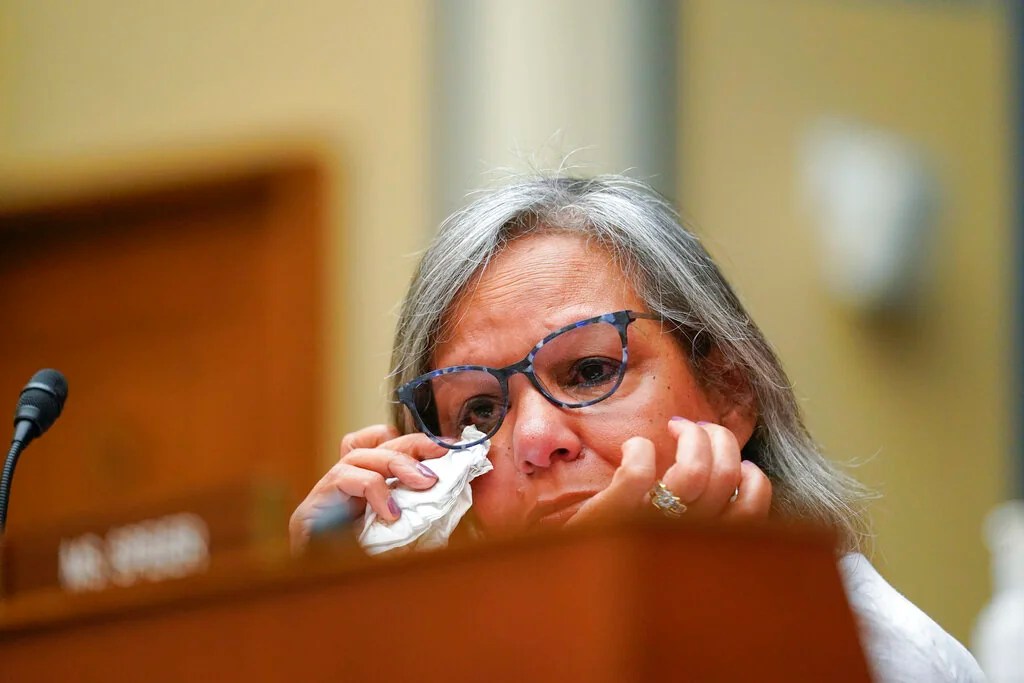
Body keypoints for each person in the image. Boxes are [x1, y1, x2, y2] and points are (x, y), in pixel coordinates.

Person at [290, 174, 985, 682]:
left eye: (590, 371)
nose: (533, 439)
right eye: (479, 411)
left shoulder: (878, 655)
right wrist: (330, 624)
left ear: (729, 389)